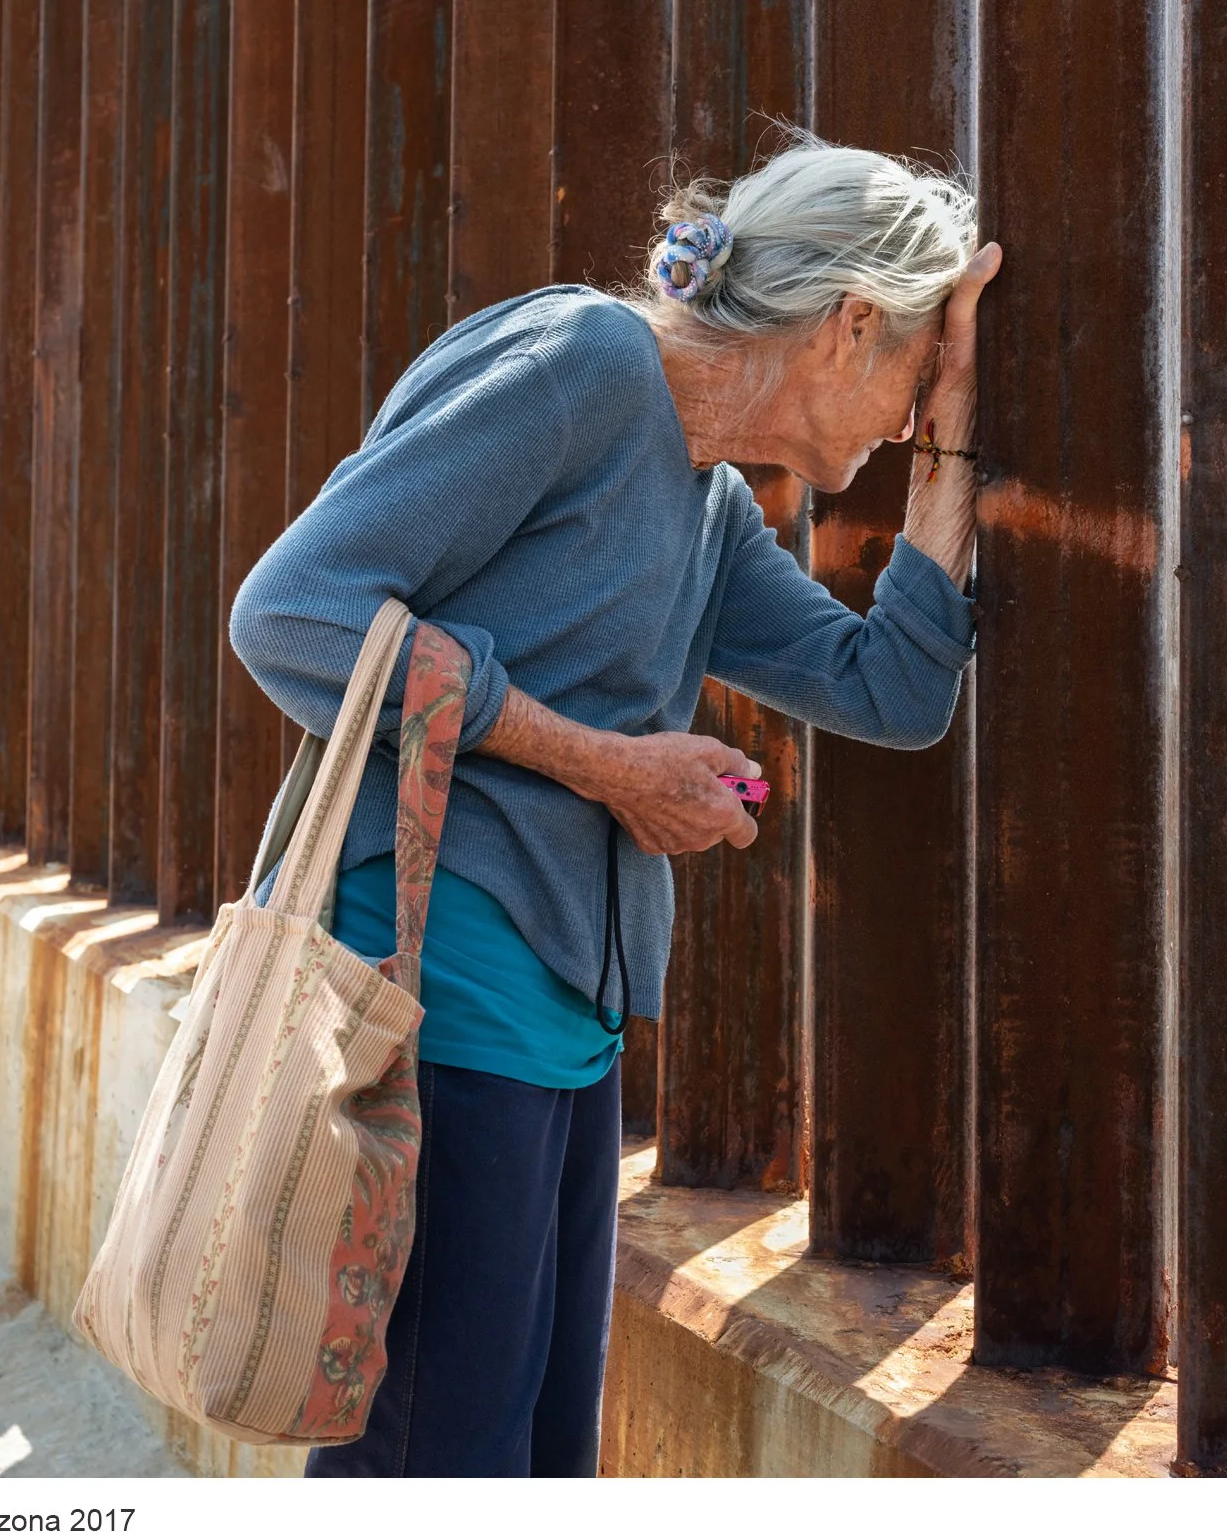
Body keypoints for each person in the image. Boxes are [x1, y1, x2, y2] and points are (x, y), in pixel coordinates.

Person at [227, 131, 1002, 1477]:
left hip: (566, 1023)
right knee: (438, 1457)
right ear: (848, 324)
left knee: (531, 1452)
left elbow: (890, 688)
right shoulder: (583, 363)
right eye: (908, 380)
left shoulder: (707, 503)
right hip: (436, 993)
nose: (899, 421)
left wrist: (957, 448)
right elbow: (290, 612)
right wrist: (603, 762)